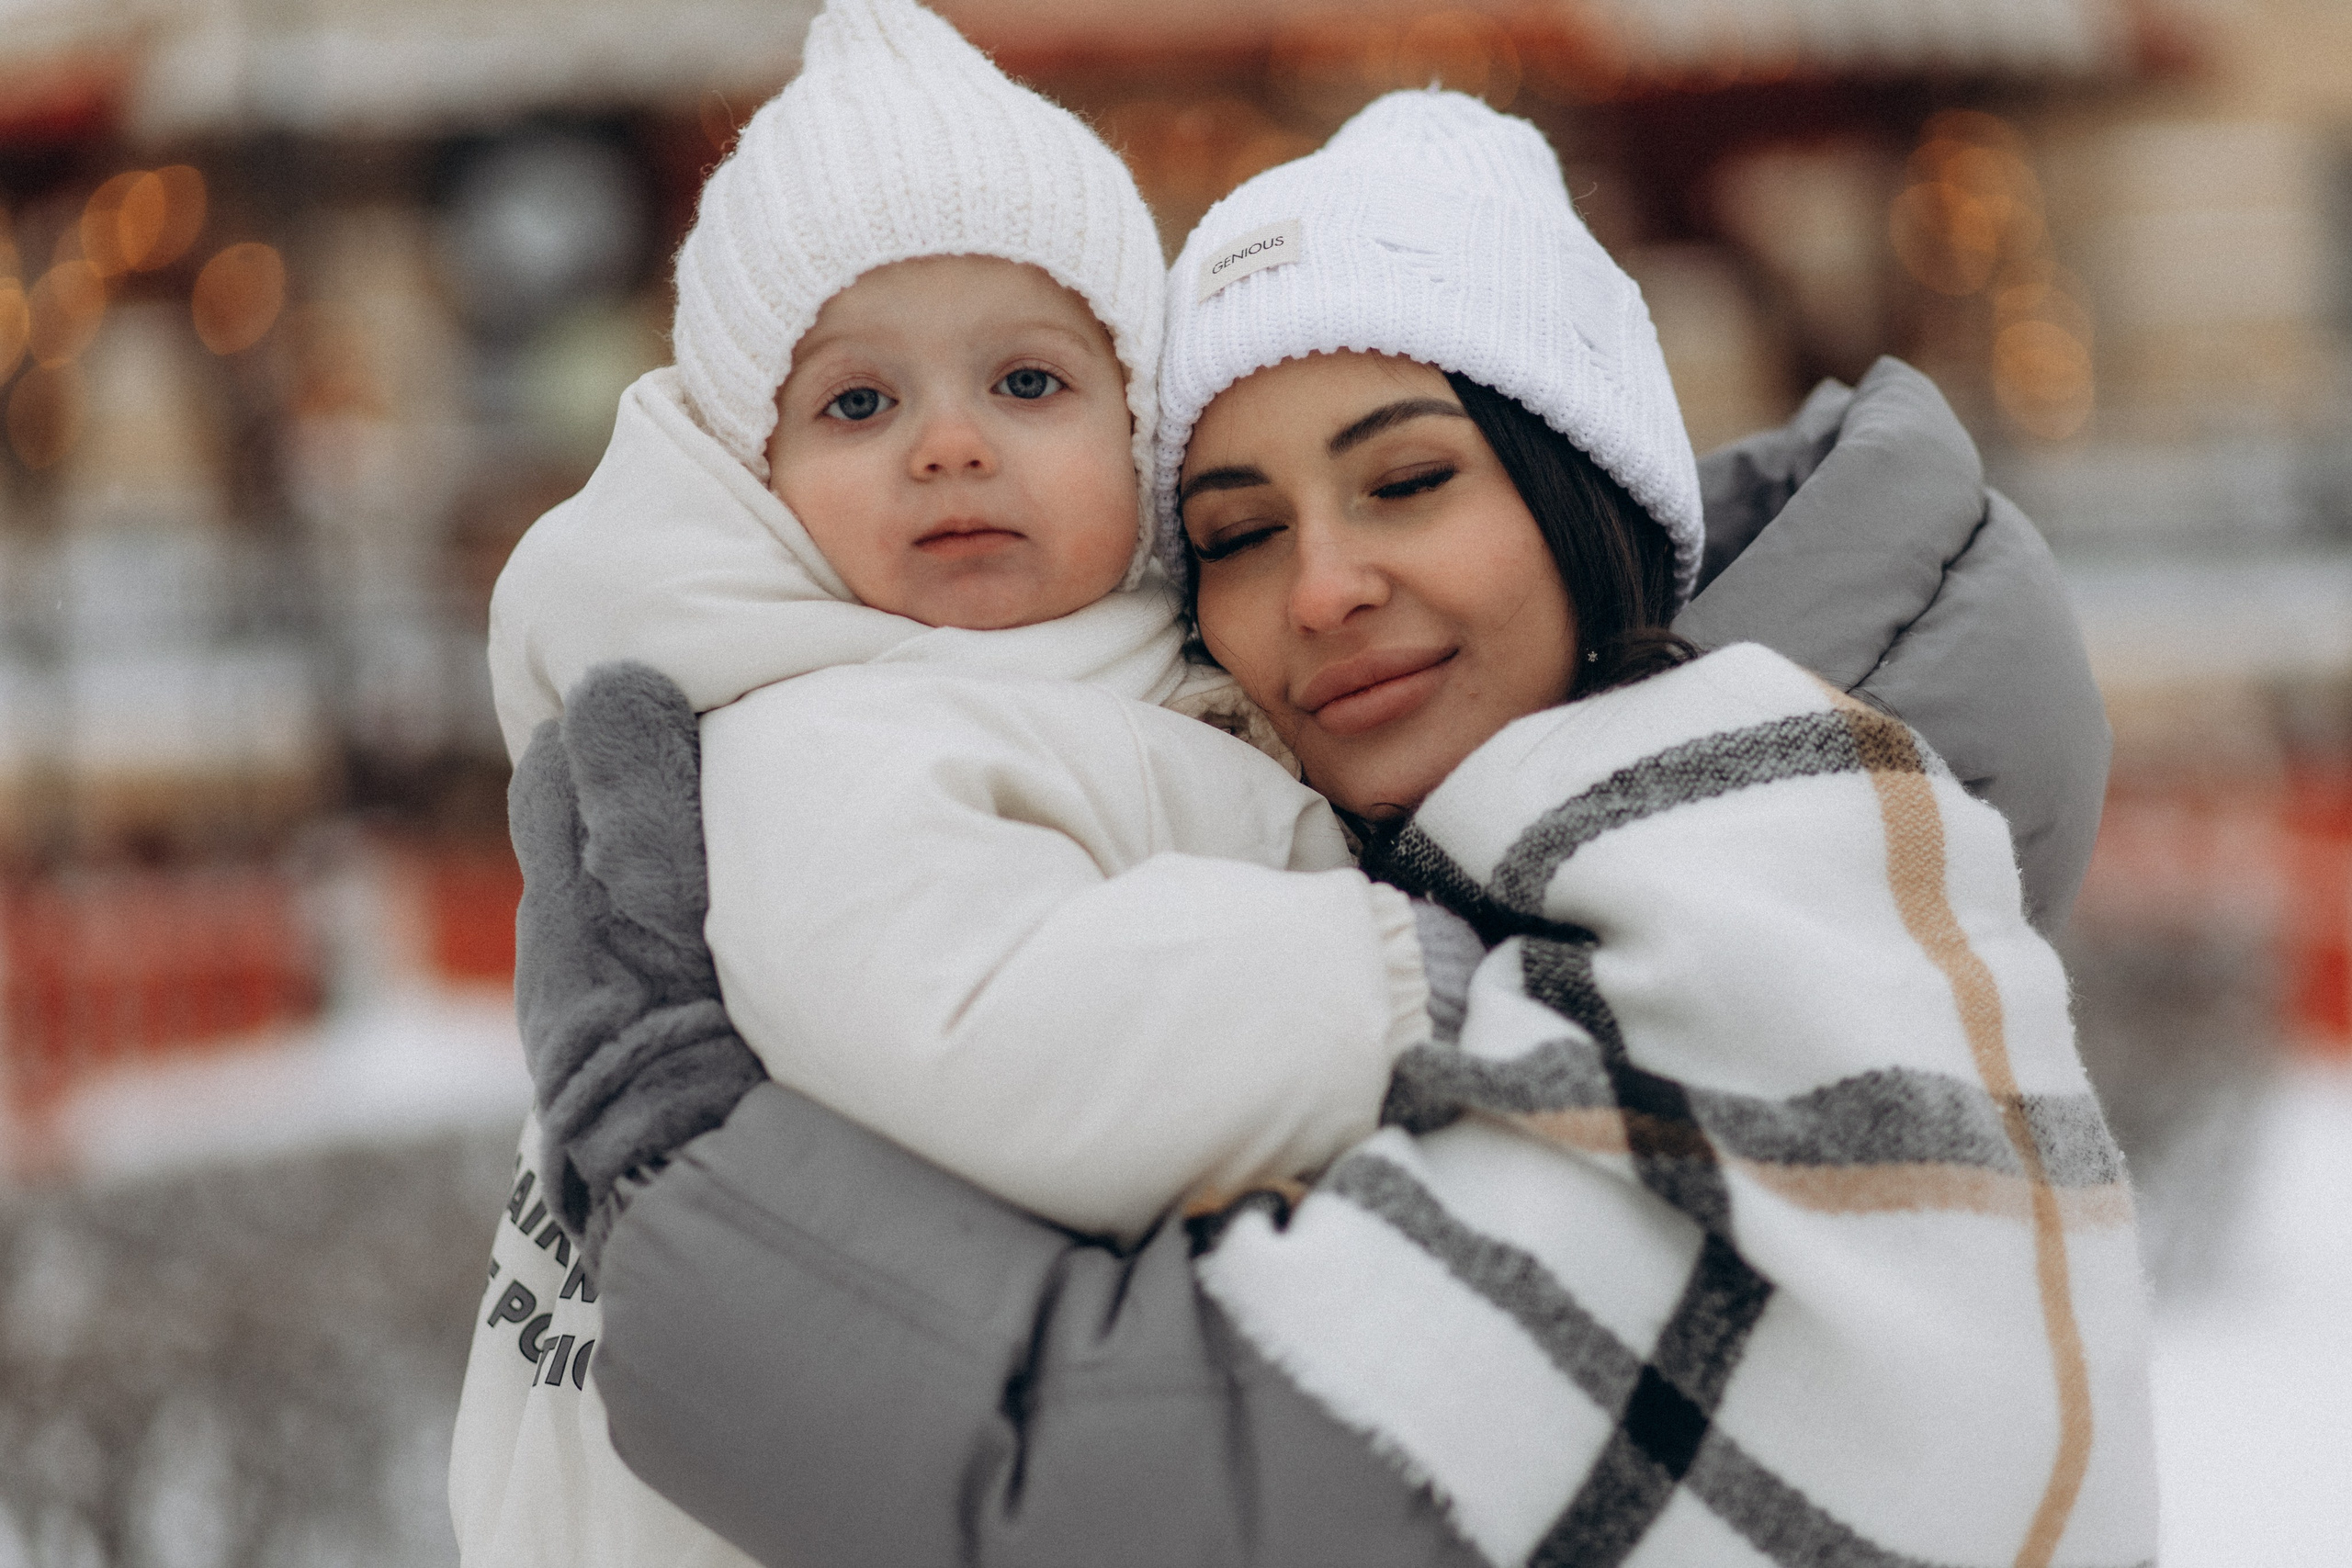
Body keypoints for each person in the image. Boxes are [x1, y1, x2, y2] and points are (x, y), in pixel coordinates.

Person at [540, 94, 2153, 1568]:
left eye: (1408, 481)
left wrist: (679, 1166)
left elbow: (1166, 1490)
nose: (1320, 590)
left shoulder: (1763, 907)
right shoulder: (1422, 885)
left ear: (1577, 491)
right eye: (1237, 534)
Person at [453, 5, 1477, 1563]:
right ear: (758, 469)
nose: (949, 447)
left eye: (1027, 383)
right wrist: (1402, 986)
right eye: (859, 404)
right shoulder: (825, 734)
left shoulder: (1079, 685)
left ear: (1139, 433)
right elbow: (983, 1037)